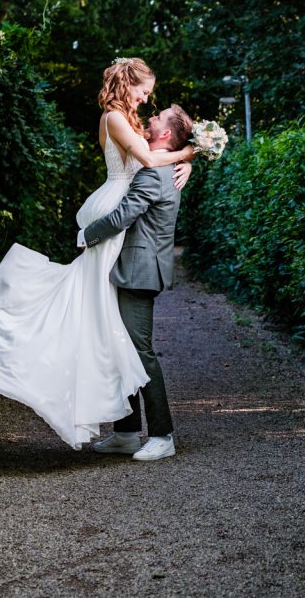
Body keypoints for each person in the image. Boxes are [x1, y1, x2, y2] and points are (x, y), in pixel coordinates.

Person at [0, 57, 194, 450]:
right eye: (146, 91)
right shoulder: (115, 118)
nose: (149, 102)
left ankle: (152, 433)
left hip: (123, 237)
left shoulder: (138, 135)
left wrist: (188, 155)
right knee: (108, 331)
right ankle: (129, 432)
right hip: (114, 222)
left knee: (121, 338)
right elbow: (149, 160)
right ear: (129, 82)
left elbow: (151, 166)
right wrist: (188, 155)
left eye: (154, 105)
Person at [79, 102, 193, 461]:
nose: (150, 116)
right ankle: (126, 432)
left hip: (140, 269)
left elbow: (127, 214)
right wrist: (190, 156)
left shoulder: (153, 172)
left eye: (157, 119)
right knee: (120, 346)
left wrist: (87, 234)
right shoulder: (165, 165)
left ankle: (163, 435)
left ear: (164, 135)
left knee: (139, 352)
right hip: (133, 265)